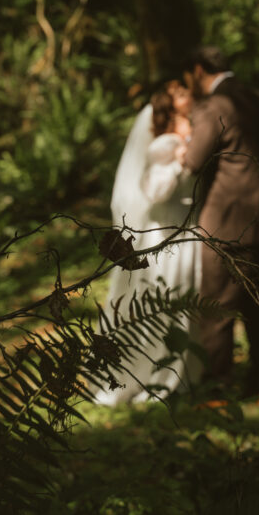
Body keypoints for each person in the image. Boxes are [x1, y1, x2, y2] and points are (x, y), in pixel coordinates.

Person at [182, 46, 259, 398]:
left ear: (198, 71)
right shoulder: (257, 99)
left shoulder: (216, 107)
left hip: (229, 223)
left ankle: (217, 389)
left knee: (216, 307)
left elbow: (194, 162)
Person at [95, 81, 202, 405]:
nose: (188, 97)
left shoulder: (197, 124)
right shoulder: (165, 140)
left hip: (188, 228)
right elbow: (154, 192)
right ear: (168, 104)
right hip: (163, 229)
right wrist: (180, 159)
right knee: (157, 296)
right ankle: (145, 372)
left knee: (185, 296)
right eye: (181, 94)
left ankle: (180, 372)